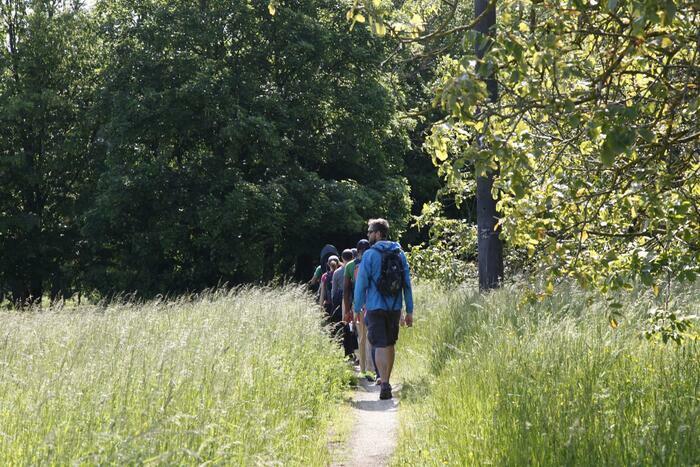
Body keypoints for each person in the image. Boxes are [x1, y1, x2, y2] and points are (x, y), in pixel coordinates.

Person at [354, 218, 414, 400]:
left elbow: (361, 284)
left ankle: (385, 383)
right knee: (390, 343)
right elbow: (407, 284)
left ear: (378, 233)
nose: (368, 235)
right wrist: (409, 310)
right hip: (395, 307)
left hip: (375, 306)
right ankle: (386, 380)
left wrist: (357, 308)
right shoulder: (400, 254)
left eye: (370, 232)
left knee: (379, 344)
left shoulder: (369, 255)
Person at [343, 239, 375, 378]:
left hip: (358, 306)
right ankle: (372, 368)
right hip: (373, 304)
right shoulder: (372, 262)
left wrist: (347, 310)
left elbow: (346, 290)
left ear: (357, 250)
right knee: (372, 336)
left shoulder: (350, 266)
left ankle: (363, 369)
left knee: (361, 337)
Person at [333, 249, 358, 359]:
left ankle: (349, 353)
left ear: (342, 258)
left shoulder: (337, 272)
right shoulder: (356, 267)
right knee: (356, 329)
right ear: (352, 256)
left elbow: (334, 291)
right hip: (356, 301)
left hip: (343, 302)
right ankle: (358, 354)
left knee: (346, 327)